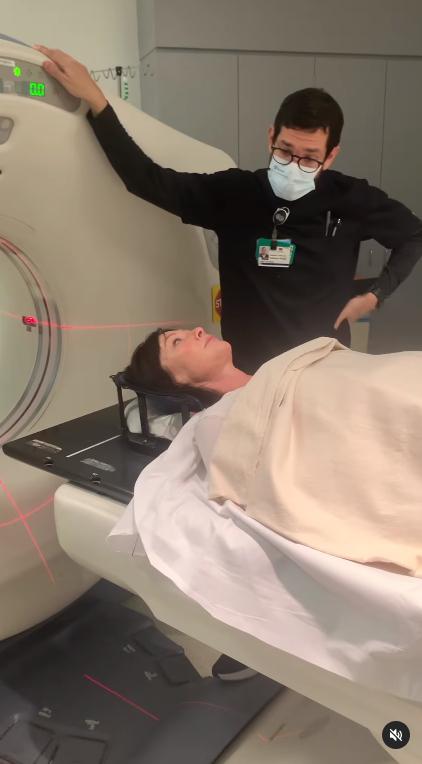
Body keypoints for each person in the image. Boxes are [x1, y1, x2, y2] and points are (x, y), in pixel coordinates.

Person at [35, 46, 422, 373]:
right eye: (285, 150)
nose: (293, 164)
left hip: (323, 367)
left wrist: (375, 294)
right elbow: (145, 179)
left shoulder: (350, 199)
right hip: (249, 369)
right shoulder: (235, 193)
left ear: (331, 155)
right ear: (270, 136)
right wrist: (97, 101)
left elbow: (413, 234)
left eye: (309, 158)